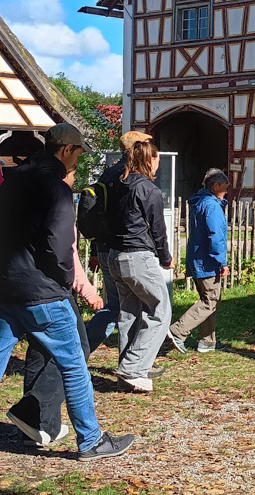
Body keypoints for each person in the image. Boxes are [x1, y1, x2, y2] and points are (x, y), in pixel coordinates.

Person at [0, 123, 134, 481]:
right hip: (45, 294)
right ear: (66, 150)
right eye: (78, 153)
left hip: (10, 289)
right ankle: (91, 440)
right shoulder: (56, 188)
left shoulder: (13, 182)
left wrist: (13, 268)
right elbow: (59, 246)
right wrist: (65, 282)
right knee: (74, 366)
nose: (78, 160)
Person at [6, 160, 105, 446]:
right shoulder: (59, 202)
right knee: (77, 350)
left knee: (39, 351)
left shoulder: (27, 199)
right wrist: (87, 291)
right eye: (73, 174)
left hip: (25, 286)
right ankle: (33, 411)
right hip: (53, 290)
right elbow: (67, 254)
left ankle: (40, 427)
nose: (73, 181)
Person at [106, 137, 174, 393]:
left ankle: (127, 372)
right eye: (156, 160)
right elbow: (158, 229)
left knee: (129, 313)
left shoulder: (117, 182)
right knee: (160, 311)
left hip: (115, 255)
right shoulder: (148, 189)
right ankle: (133, 369)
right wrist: (165, 258)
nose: (158, 165)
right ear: (149, 161)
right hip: (137, 257)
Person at [83, 130, 152, 351]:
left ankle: (84, 350)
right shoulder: (129, 176)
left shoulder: (108, 173)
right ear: (137, 148)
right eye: (146, 145)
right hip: (123, 250)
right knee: (124, 308)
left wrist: (96, 250)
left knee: (120, 307)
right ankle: (80, 350)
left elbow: (99, 212)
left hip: (106, 248)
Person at [169, 168, 231, 355]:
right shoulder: (212, 206)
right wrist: (222, 262)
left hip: (197, 259)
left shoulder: (199, 202)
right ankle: (178, 331)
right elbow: (216, 236)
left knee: (209, 299)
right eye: (225, 188)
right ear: (216, 186)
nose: (226, 192)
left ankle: (207, 342)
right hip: (208, 261)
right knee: (210, 300)